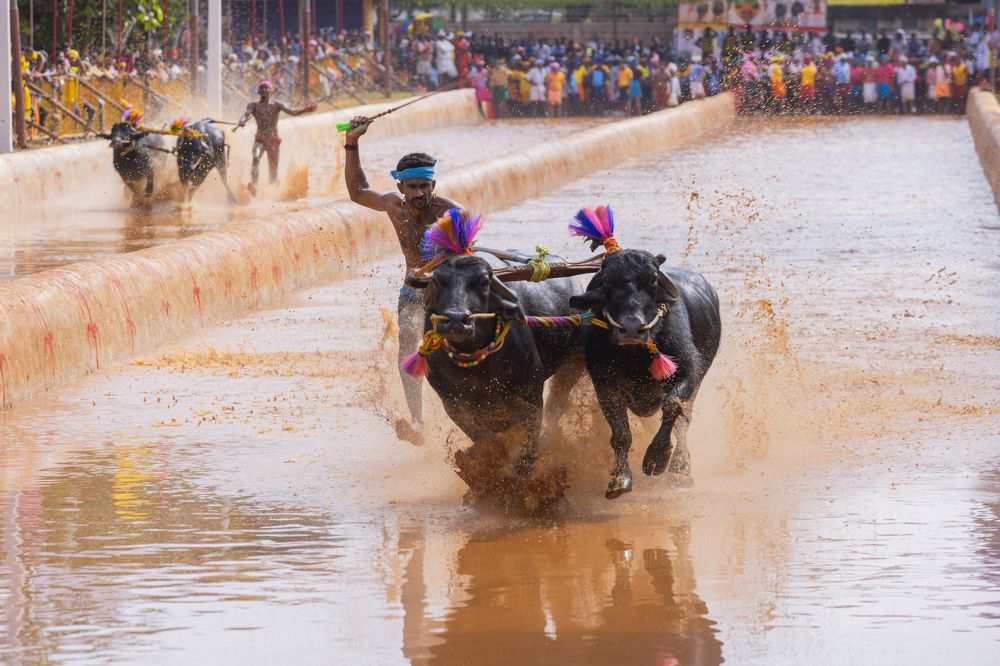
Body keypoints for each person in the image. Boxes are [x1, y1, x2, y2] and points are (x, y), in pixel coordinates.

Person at [343, 116, 464, 444]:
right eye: (413, 187)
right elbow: (357, 192)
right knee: (408, 345)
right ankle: (417, 419)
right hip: (412, 291)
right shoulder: (392, 205)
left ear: (433, 186)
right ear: (401, 188)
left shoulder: (451, 213)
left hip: (447, 292)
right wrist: (352, 141)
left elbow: (468, 257)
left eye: (425, 186)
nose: (420, 193)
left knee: (456, 346)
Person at [237, 80, 317, 196]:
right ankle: (254, 184)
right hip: (260, 139)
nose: (264, 90)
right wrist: (241, 121)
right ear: (258, 91)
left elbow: (292, 112)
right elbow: (245, 114)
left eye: (266, 88)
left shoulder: (277, 105)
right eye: (262, 88)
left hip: (273, 140)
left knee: (273, 172)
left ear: (271, 90)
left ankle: (272, 195)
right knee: (255, 157)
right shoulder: (253, 106)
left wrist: (305, 110)